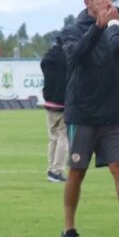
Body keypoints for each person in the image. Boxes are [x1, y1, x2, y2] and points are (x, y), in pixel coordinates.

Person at [58, 0, 119, 237]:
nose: (108, 2)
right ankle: (68, 230)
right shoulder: (72, 31)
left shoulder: (116, 28)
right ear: (88, 3)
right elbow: (76, 56)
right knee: (77, 172)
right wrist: (98, 28)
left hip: (113, 113)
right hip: (82, 114)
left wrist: (113, 26)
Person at [40, 39, 69, 182]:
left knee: (53, 137)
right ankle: (57, 171)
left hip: (49, 101)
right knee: (63, 137)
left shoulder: (47, 57)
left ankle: (51, 168)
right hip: (63, 103)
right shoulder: (67, 57)